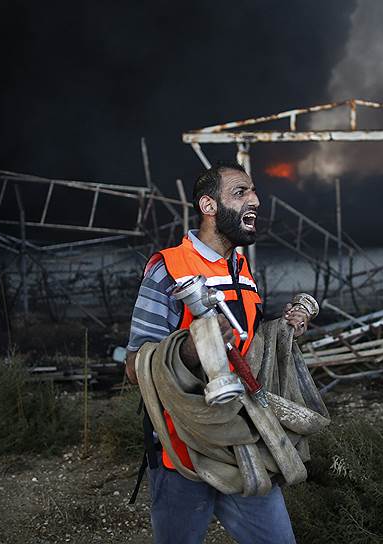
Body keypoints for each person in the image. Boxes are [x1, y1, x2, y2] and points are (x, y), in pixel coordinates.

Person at [124, 163, 312, 544]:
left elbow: (248, 347)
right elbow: (134, 365)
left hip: (242, 442)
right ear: (209, 205)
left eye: (254, 191)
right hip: (182, 452)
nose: (255, 200)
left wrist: (284, 332)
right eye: (240, 192)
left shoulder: (242, 271)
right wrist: (193, 348)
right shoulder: (168, 269)